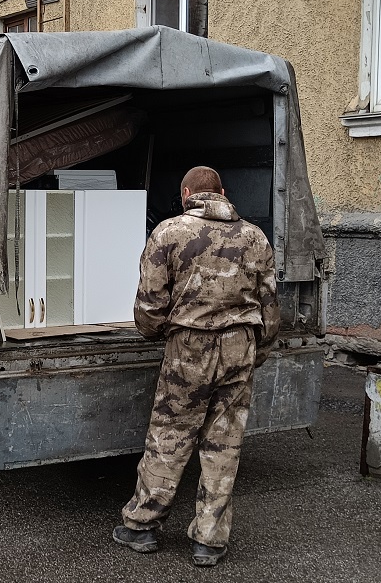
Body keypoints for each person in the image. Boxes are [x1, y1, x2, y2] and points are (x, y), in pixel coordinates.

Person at [111, 165, 280, 568]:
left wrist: (158, 334)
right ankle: (209, 540)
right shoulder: (255, 237)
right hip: (240, 346)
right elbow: (271, 307)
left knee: (170, 433)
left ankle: (143, 526)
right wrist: (257, 350)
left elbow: (150, 306)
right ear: (222, 191)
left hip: (188, 347)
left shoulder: (168, 233)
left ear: (186, 194)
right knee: (224, 443)